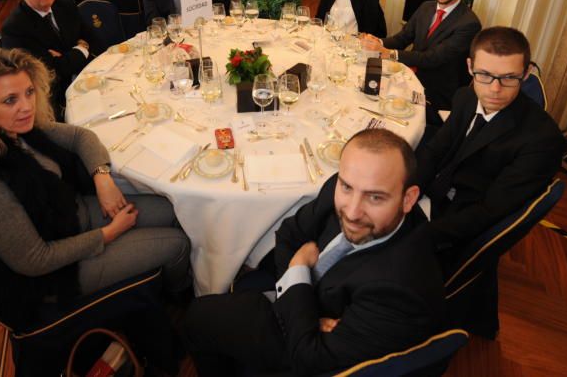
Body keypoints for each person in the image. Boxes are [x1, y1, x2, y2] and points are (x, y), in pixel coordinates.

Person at [0, 47, 191, 328]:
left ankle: (158, 281)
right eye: (10, 100)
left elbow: (82, 136)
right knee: (178, 243)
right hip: (56, 275)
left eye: (29, 92)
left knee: (174, 210)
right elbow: (35, 260)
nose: (27, 106)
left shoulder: (16, 129)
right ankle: (180, 305)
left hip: (70, 216)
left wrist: (102, 178)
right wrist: (109, 233)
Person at [184, 129, 445, 376]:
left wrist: (298, 273)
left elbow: (309, 359)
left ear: (408, 199)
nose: (352, 212)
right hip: (304, 313)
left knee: (198, 318)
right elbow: (289, 233)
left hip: (303, 349)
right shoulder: (342, 185)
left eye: (375, 197)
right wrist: (303, 307)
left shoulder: (400, 291)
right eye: (346, 187)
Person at [415, 27, 565, 255]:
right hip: (432, 196)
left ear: (525, 74)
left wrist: (414, 236)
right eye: (484, 75)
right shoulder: (465, 97)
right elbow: (435, 152)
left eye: (509, 78)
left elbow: (489, 212)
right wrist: (404, 195)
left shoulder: (543, 140)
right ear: (469, 67)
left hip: (456, 230)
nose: (494, 90)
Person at [362, 0, 480, 118]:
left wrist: (389, 53)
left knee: (384, 111)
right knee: (365, 95)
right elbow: (402, 38)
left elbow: (433, 58)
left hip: (435, 91)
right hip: (407, 76)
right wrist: (378, 42)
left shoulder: (469, 23)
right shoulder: (426, 7)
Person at [0, 0, 91, 114]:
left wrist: (64, 58)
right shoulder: (14, 28)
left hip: (86, 79)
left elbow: (92, 39)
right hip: (54, 99)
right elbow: (48, 71)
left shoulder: (66, 6)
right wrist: (81, 49)